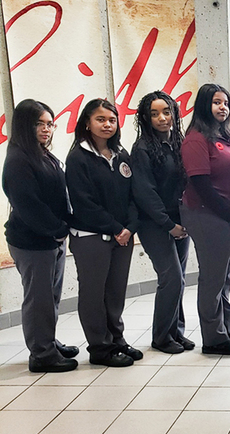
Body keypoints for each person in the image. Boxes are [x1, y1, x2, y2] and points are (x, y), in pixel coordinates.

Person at [3, 99, 79, 372]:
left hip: (50, 238)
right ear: (25, 125)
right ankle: (42, 355)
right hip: (33, 241)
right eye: (40, 124)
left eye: (50, 124)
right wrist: (58, 230)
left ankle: (47, 342)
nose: (47, 129)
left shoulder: (40, 153)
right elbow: (29, 205)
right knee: (39, 300)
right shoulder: (18, 160)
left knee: (50, 297)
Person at [66, 98, 143, 367]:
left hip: (123, 237)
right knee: (93, 294)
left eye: (112, 119)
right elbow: (84, 203)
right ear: (87, 123)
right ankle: (100, 348)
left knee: (115, 292)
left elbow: (134, 195)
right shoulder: (78, 157)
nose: (107, 124)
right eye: (100, 119)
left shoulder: (121, 154)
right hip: (92, 238)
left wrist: (130, 227)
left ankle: (117, 341)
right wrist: (117, 228)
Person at [180, 83, 230, 355]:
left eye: (225, 103)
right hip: (208, 214)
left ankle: (227, 327)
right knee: (212, 278)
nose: (222, 107)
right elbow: (201, 184)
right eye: (216, 103)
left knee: (226, 276)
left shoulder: (229, 136)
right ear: (203, 106)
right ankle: (213, 338)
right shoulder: (196, 138)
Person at [131, 91, 193, 354]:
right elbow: (145, 193)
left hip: (181, 223)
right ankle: (161, 337)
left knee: (179, 278)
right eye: (154, 113)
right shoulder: (142, 148)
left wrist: (186, 221)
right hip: (155, 224)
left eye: (166, 112)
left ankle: (176, 331)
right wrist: (169, 224)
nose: (162, 118)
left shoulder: (179, 142)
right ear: (146, 117)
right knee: (171, 279)